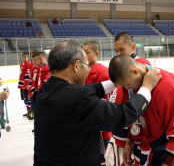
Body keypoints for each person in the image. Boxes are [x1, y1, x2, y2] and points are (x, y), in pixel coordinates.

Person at [33, 40, 161, 166]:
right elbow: (122, 115)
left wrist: (118, 80)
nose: (88, 70)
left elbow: (86, 91)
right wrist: (146, 88)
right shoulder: (78, 98)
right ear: (76, 66)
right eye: (87, 66)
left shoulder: (44, 91)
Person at [108, 55, 174, 166]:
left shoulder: (167, 88)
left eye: (127, 84)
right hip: (147, 150)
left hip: (167, 154)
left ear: (135, 71)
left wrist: (168, 162)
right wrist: (130, 140)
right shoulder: (133, 84)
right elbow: (137, 117)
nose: (127, 88)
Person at [113, 32, 152, 165]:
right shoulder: (122, 66)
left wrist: (130, 137)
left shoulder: (138, 65)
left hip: (132, 129)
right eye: (116, 50)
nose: (119, 53)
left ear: (133, 47)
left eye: (122, 49)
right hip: (125, 127)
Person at [82, 41, 113, 165]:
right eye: (82, 52)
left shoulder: (102, 72)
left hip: (101, 125)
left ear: (97, 53)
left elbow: (108, 100)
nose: (84, 54)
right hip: (88, 123)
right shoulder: (82, 70)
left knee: (104, 155)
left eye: (87, 52)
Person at [18, 52, 33, 119]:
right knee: (24, 99)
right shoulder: (21, 65)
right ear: (22, 58)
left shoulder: (30, 64)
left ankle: (31, 113)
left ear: (29, 57)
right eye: (24, 57)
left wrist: (26, 84)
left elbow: (29, 75)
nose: (25, 58)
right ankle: (28, 111)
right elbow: (21, 75)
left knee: (28, 99)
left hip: (27, 85)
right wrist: (21, 84)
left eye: (26, 57)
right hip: (22, 85)